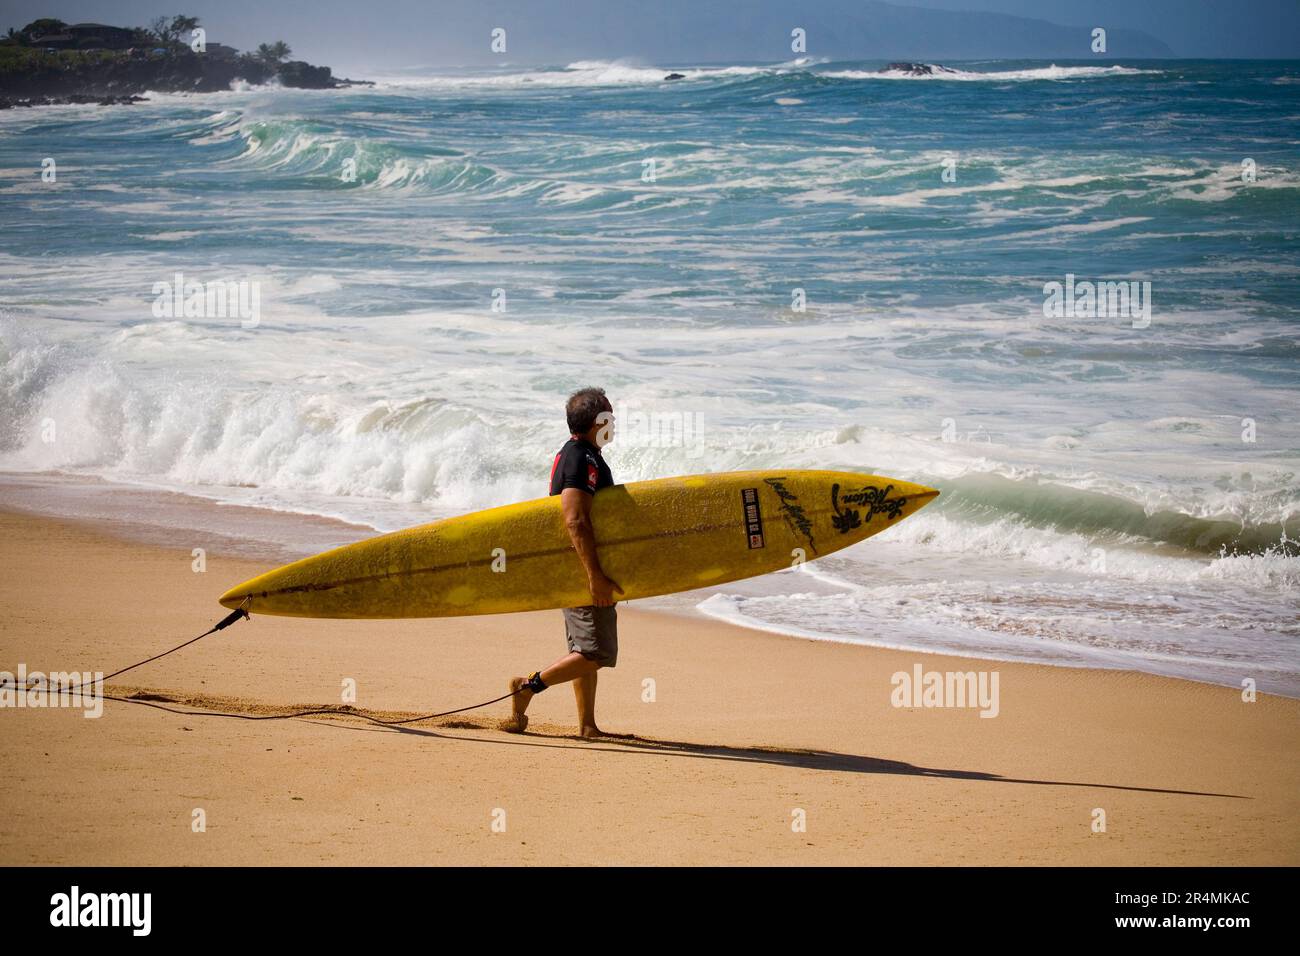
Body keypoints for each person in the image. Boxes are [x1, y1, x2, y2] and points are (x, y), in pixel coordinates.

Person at [503, 387, 625, 738]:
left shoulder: (584, 454)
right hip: (581, 567)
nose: (614, 424)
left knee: (584, 650)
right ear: (596, 422)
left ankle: (587, 725)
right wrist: (595, 575)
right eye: (610, 418)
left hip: (577, 565)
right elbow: (574, 520)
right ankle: (528, 687)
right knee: (596, 652)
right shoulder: (579, 457)